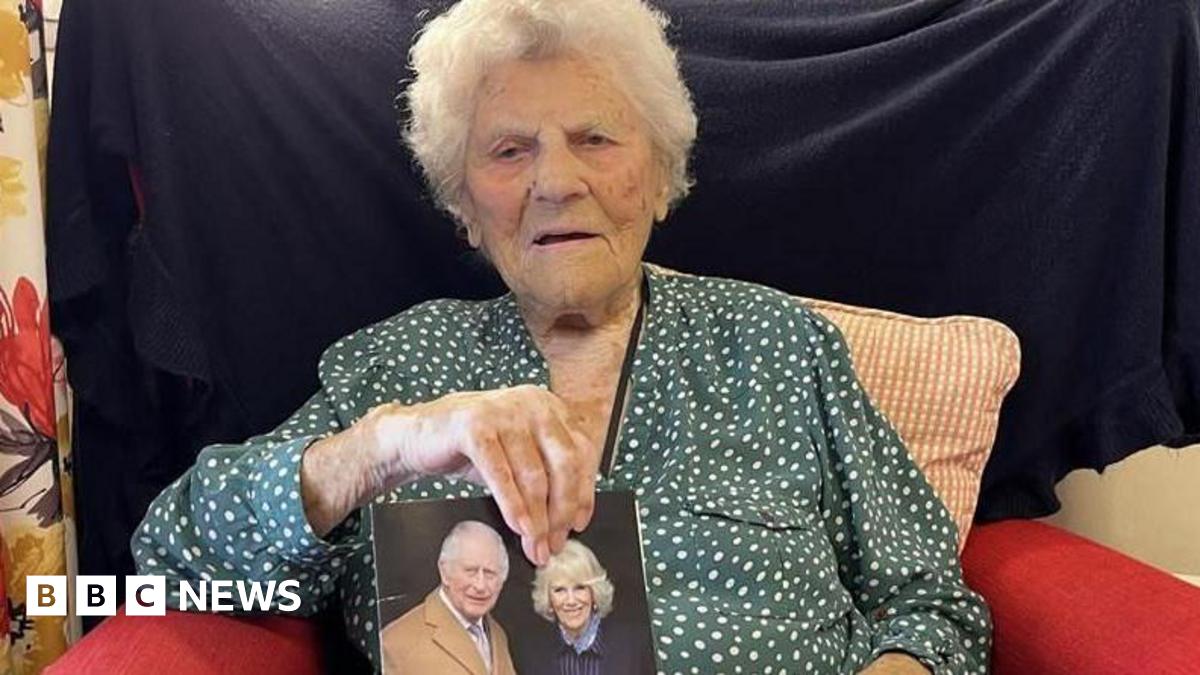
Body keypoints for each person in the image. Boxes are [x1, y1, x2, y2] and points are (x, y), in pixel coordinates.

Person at [132, 0, 993, 672]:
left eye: (594, 138)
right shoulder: (397, 366)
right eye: (508, 151)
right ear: (464, 210)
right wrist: (385, 448)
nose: (555, 180)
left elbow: (932, 604)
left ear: (660, 177)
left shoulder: (778, 344)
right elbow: (170, 562)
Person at [379, 521, 517, 675]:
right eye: (470, 571)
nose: (480, 585)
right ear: (445, 571)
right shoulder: (394, 643)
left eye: (490, 573)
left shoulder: (498, 635)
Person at [529, 539, 650, 675]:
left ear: (594, 592)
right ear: (548, 599)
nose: (571, 600)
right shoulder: (535, 655)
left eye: (580, 588)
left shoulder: (634, 645)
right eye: (560, 590)